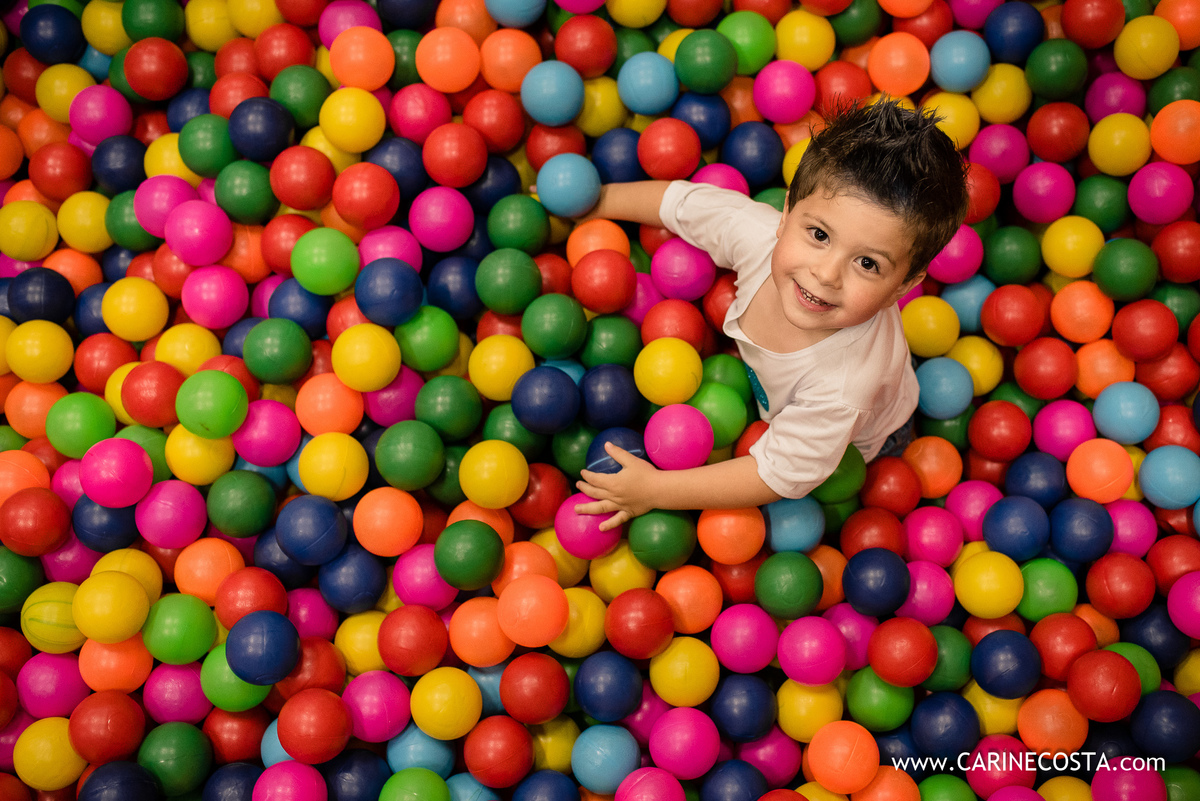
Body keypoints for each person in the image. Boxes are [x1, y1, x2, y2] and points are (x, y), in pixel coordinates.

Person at [575, 100, 969, 530]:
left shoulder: (843, 386)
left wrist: (654, 491)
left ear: (904, 286)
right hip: (774, 393)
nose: (826, 273)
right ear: (784, 216)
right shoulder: (758, 237)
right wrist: (596, 203)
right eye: (819, 235)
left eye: (868, 264)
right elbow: (680, 205)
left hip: (865, 436)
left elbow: (774, 474)